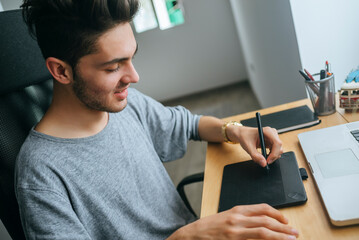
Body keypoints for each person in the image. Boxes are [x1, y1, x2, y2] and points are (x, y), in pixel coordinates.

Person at [15, 0, 298, 239]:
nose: (134, 77)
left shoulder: (127, 104)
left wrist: (234, 130)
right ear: (61, 71)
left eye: (130, 58)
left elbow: (189, 124)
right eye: (114, 67)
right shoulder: (41, 173)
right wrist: (187, 236)